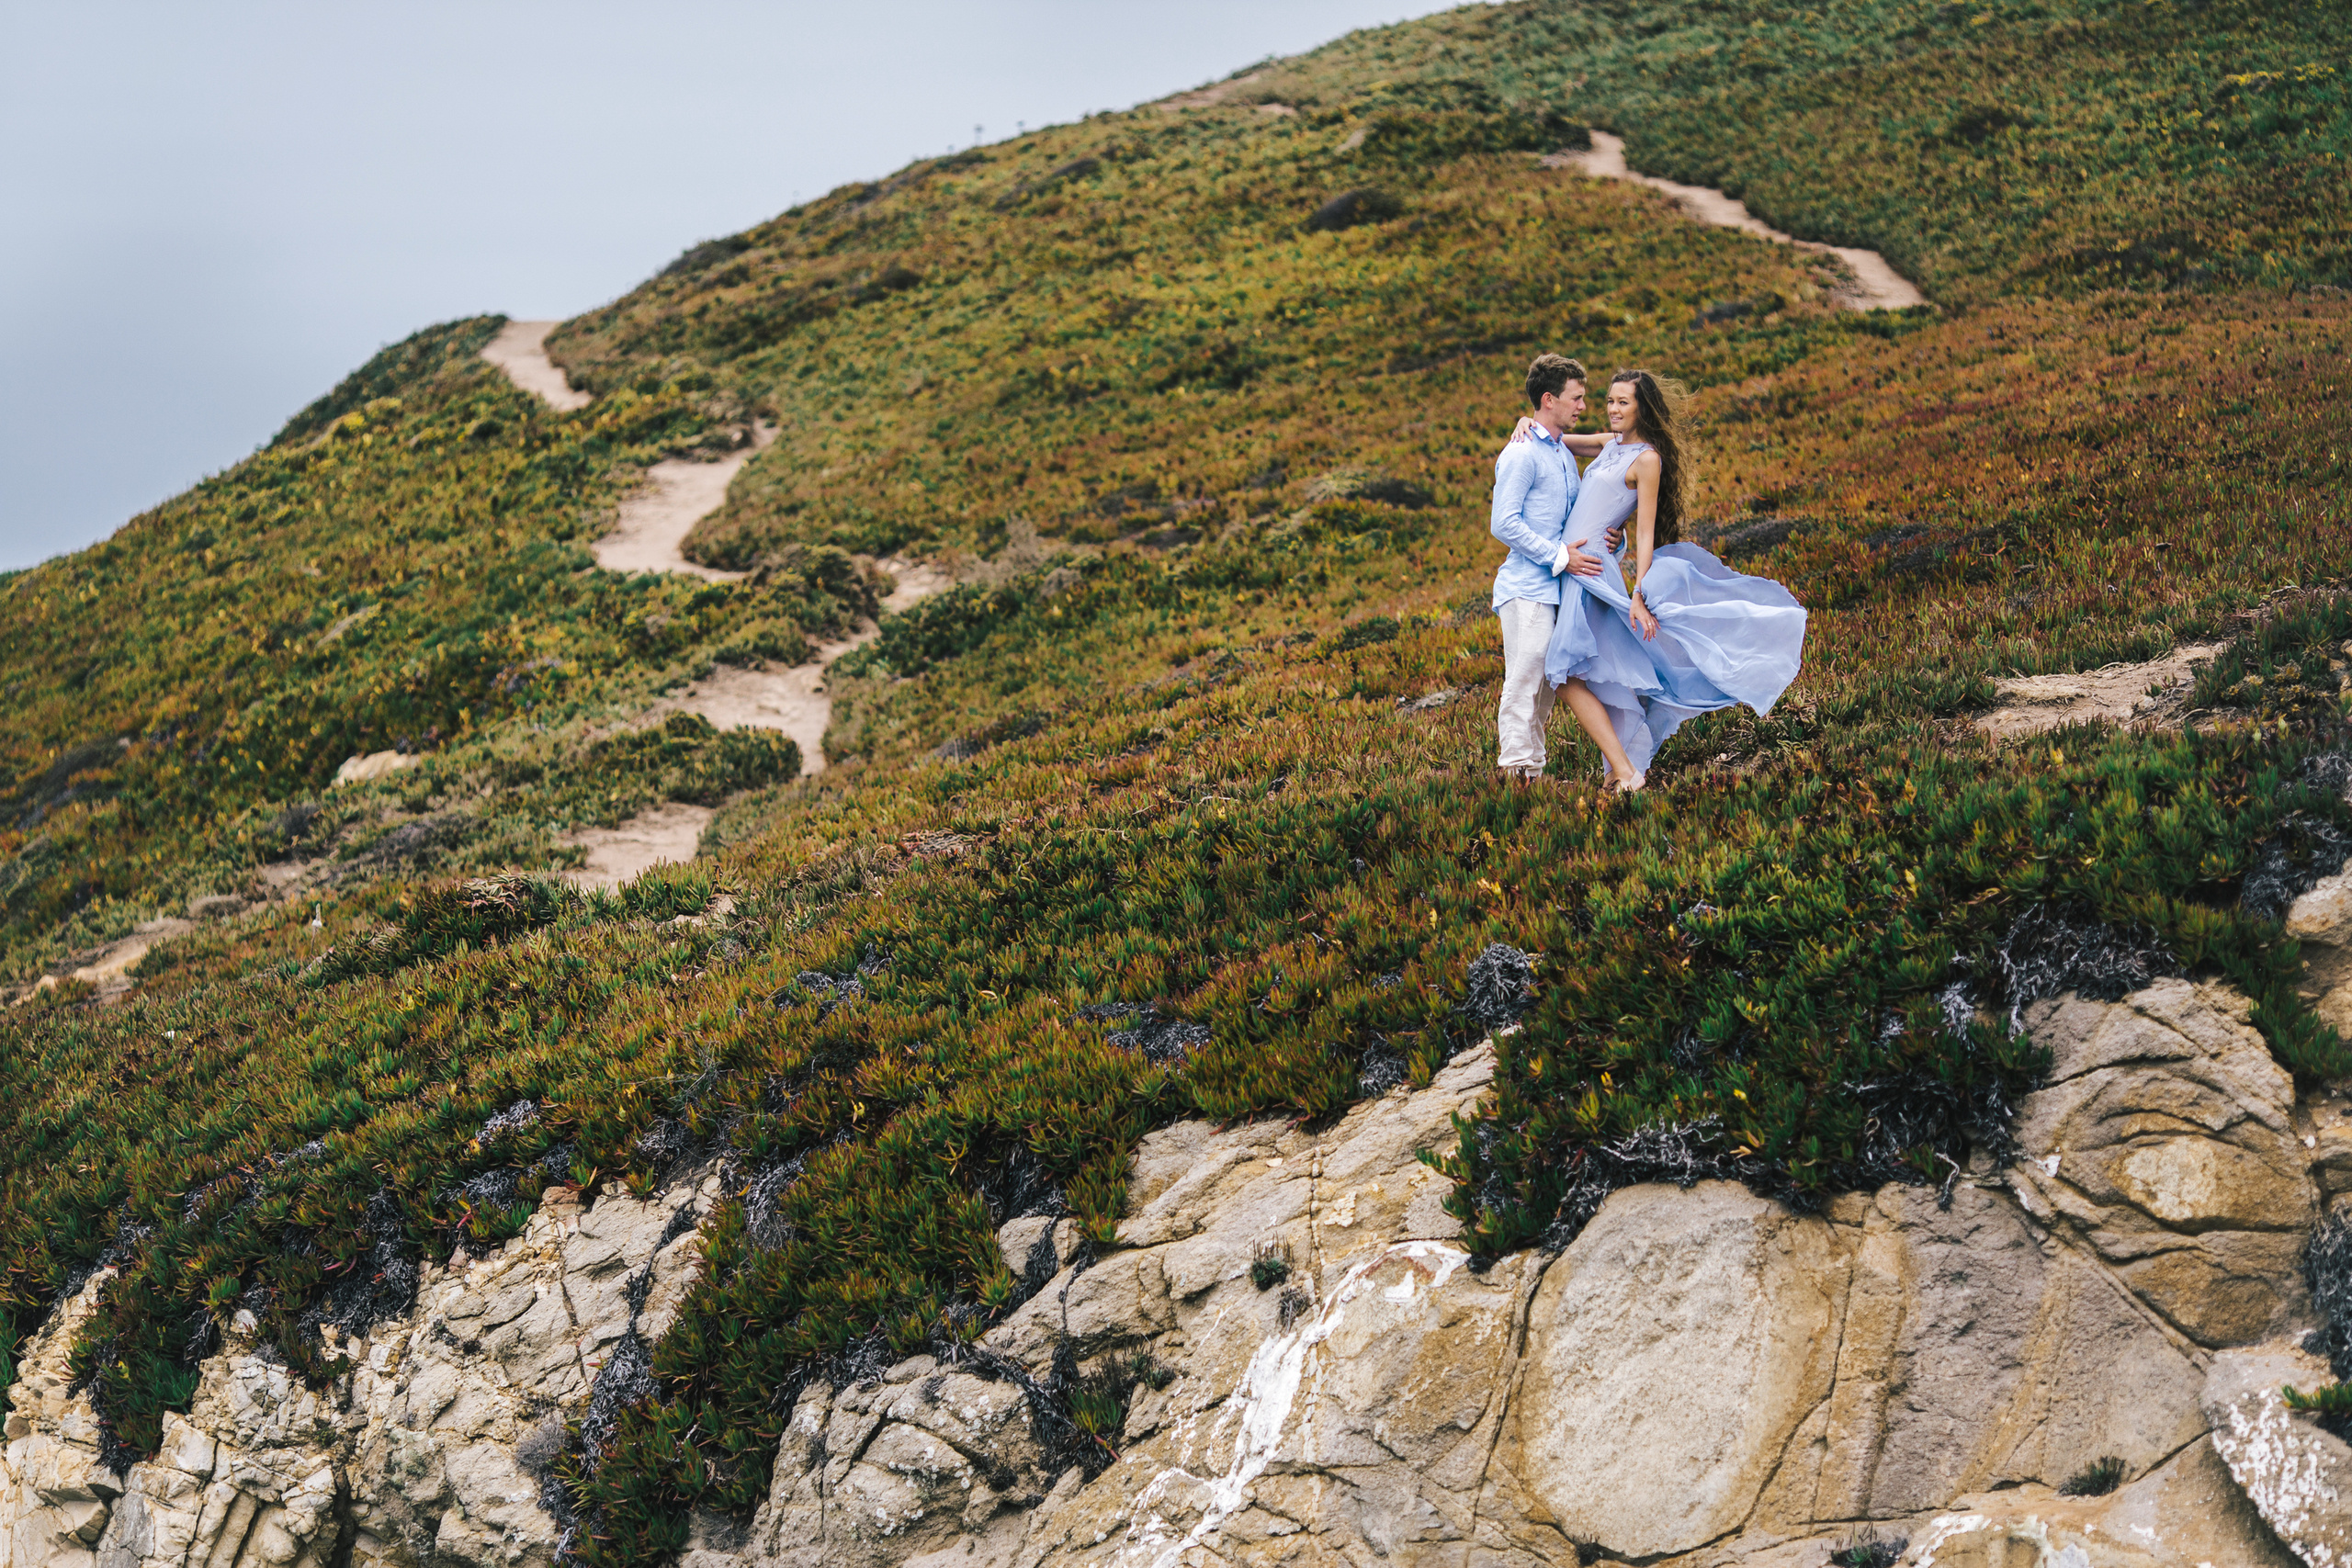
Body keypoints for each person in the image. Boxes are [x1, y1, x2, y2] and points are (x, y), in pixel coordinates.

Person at [1541, 367, 1808, 792]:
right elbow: (1553, 436)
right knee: (1594, 672)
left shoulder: (1647, 459)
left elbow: (1645, 530)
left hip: (1590, 570)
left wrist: (1640, 593)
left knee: (1569, 675)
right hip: (1574, 567)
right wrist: (1527, 422)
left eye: (1623, 402)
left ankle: (1624, 770)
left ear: (1642, 408)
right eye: (1609, 401)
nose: (1613, 409)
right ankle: (1618, 770)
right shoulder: (1609, 445)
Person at [1487, 355, 1617, 781]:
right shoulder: (1523, 453)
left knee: (1543, 690)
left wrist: (1613, 540)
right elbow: (1503, 523)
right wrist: (1561, 557)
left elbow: (1573, 518)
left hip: (1558, 589)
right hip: (1526, 588)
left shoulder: (1560, 450)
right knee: (1524, 683)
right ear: (1549, 399)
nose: (1583, 406)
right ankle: (1515, 774)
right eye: (1576, 398)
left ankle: (1533, 773)